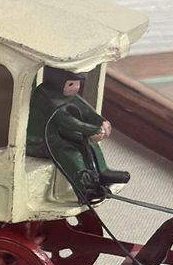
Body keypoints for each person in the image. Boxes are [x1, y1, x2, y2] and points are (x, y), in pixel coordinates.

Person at [27, 69, 129, 202]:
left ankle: (103, 172)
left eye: (77, 84)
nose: (75, 88)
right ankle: (85, 189)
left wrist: (100, 121)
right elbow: (66, 121)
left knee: (87, 142)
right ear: (57, 83)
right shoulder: (44, 96)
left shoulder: (66, 94)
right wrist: (94, 129)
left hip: (59, 134)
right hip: (41, 140)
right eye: (71, 84)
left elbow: (85, 109)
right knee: (71, 153)